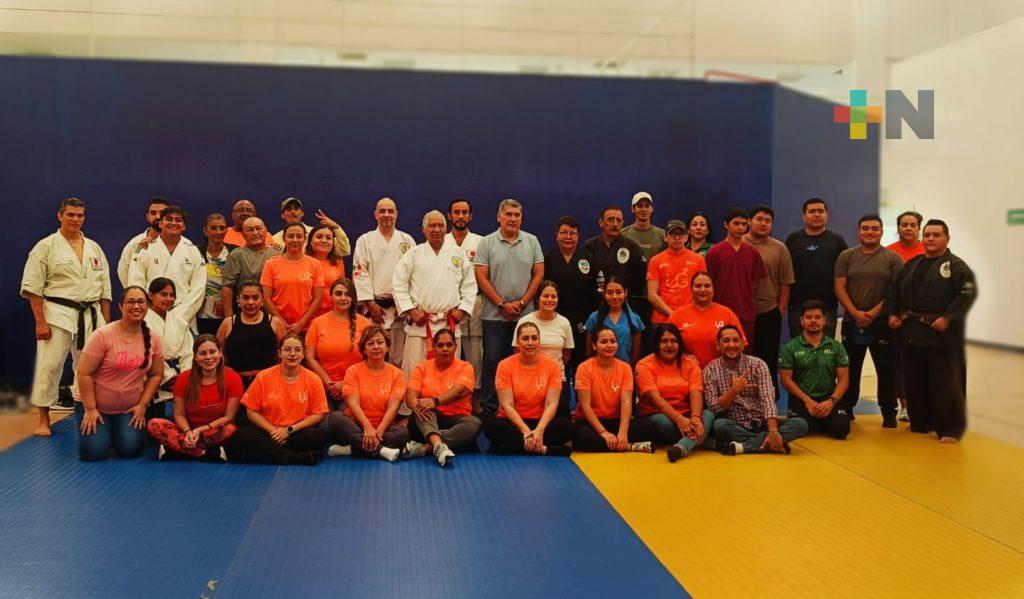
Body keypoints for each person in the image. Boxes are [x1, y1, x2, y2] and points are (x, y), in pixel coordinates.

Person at [21, 197, 112, 437]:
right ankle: (43, 418)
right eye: (70, 214)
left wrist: (106, 322)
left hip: (91, 314)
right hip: (57, 314)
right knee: (49, 365)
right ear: (60, 216)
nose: (75, 219)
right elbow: (33, 289)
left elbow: (105, 289)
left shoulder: (94, 247)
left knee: (90, 366)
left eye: (80, 215)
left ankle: (85, 411)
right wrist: (40, 322)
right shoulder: (45, 246)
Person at [888, 219, 976, 443]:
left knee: (945, 384)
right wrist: (892, 315)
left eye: (936, 235)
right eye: (927, 235)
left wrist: (948, 317)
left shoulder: (956, 266)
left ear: (947, 238)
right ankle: (921, 422)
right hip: (912, 333)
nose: (930, 239)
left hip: (942, 335)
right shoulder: (912, 264)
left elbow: (967, 294)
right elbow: (894, 291)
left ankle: (949, 429)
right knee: (914, 381)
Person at [75, 286, 163, 461]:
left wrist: (142, 405)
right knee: (93, 453)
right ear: (121, 306)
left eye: (141, 302)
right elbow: (83, 373)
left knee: (132, 450)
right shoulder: (102, 335)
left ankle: (114, 432)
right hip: (95, 406)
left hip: (128, 408)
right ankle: (104, 432)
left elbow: (156, 374)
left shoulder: (153, 337)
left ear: (147, 305)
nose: (136, 306)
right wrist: (90, 409)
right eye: (130, 302)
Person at [474, 198, 545, 416]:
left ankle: (521, 409)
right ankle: (490, 411)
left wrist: (522, 303)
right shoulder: (486, 242)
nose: (513, 219)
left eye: (517, 215)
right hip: (494, 315)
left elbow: (539, 274)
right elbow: (481, 277)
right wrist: (501, 304)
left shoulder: (532, 241)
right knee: (492, 363)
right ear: (499, 217)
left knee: (525, 363)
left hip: (525, 316)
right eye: (508, 214)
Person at [834, 214, 904, 427]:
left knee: (887, 370)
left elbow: (896, 290)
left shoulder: (893, 258)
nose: (870, 232)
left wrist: (874, 312)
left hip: (882, 323)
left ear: (882, 232)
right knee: (850, 368)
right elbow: (839, 287)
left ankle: (889, 412)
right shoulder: (846, 256)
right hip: (852, 321)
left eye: (875, 228)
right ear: (858, 231)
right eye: (865, 228)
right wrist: (855, 313)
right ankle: (847, 408)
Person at [392, 210, 477, 377]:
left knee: (449, 374)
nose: (437, 229)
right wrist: (410, 310)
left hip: (448, 325)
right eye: (432, 225)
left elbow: (469, 285)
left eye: (440, 226)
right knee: (415, 373)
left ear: (445, 229)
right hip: (420, 325)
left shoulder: (458, 254)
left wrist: (462, 309)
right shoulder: (413, 253)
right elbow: (398, 283)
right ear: (423, 229)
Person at [705, 325, 808, 455]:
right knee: (719, 425)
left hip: (763, 422)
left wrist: (773, 431)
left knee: (800, 424)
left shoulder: (758, 364)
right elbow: (713, 407)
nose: (731, 345)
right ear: (718, 345)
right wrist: (733, 391)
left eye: (736, 340)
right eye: (726, 341)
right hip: (736, 424)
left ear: (742, 344)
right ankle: (772, 443)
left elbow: (767, 398)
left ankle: (743, 447)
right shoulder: (710, 370)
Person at [228, 334, 328, 465]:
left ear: (303, 354)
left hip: (296, 432)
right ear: (279, 353)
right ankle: (295, 458)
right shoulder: (264, 376)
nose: (293, 354)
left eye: (297, 350)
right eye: (287, 349)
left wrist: (288, 431)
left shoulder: (313, 379)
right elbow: (251, 411)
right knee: (241, 435)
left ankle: (262, 454)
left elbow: (319, 414)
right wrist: (273, 431)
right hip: (268, 431)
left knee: (318, 436)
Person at [481, 322, 573, 456]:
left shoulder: (553, 365)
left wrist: (540, 430)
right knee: (490, 425)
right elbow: (506, 405)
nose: (530, 343)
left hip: (540, 422)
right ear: (517, 342)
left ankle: (514, 447)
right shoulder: (505, 365)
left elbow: (551, 404)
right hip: (514, 423)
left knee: (568, 426)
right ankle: (544, 449)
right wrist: (525, 431)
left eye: (534, 338)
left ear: (539, 341)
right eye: (525, 339)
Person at [146, 334, 241, 461]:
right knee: (154, 424)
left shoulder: (233, 378)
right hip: (187, 431)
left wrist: (201, 430)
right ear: (195, 356)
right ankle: (203, 453)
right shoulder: (184, 378)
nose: (208, 357)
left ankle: (180, 450)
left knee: (230, 429)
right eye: (202, 353)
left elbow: (229, 417)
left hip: (213, 431)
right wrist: (188, 432)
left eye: (212, 352)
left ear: (220, 353)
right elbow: (179, 414)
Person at [327, 326, 410, 462]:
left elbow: (393, 407)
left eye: (380, 342)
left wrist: (378, 432)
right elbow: (353, 403)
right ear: (364, 350)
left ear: (387, 347)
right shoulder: (353, 371)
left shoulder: (398, 374)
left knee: (403, 434)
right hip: (357, 425)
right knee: (335, 418)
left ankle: (351, 449)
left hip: (383, 428)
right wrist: (367, 427)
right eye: (370, 343)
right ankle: (381, 450)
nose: (376, 347)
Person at [404, 328, 482, 467]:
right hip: (427, 419)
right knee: (422, 408)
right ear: (434, 348)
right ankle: (440, 445)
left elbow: (458, 391)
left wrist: (435, 401)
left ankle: (428, 447)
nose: (445, 349)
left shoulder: (465, 367)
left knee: (474, 424)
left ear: (455, 347)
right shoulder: (422, 367)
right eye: (440, 345)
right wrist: (417, 406)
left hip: (456, 420)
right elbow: (410, 395)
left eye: (449, 345)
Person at [352, 197, 416, 367]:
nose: (386, 214)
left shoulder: (407, 240)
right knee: (373, 352)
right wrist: (370, 304)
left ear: (396, 214)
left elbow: (414, 275)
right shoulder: (364, 241)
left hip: (399, 310)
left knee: (398, 357)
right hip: (374, 309)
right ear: (375, 214)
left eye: (390, 211)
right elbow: (360, 273)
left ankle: (397, 383)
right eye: (382, 211)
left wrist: (404, 306)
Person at [635, 324, 712, 462]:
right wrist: (679, 419)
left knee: (708, 415)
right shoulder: (644, 365)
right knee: (662, 422)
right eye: (664, 341)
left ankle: (682, 447)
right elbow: (654, 398)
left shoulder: (691, 363)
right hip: (657, 415)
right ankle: (707, 441)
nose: (669, 345)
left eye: (673, 341)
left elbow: (696, 392)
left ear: (679, 344)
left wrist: (695, 418)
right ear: (656, 343)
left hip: (687, 415)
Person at [573, 326, 655, 452]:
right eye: (603, 342)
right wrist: (603, 432)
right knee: (582, 438)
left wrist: (623, 432)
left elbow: (626, 402)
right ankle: (627, 446)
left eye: (613, 341)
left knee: (648, 427)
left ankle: (615, 443)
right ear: (594, 346)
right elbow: (585, 406)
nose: (609, 345)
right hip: (590, 422)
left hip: (615, 421)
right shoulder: (584, 368)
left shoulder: (625, 368)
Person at [743, 205, 795, 405]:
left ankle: (770, 402)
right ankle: (743, 403)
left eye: (767, 220)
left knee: (768, 359)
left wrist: (779, 311)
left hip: (769, 312)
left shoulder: (779, 248)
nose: (763, 223)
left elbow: (786, 283)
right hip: (741, 313)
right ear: (749, 221)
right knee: (742, 359)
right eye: (759, 219)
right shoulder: (738, 244)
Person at [779, 301, 851, 440]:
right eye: (809, 317)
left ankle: (821, 420)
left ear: (824, 320)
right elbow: (785, 380)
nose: (813, 321)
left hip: (828, 399)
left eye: (818, 317)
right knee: (801, 428)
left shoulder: (836, 347)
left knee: (842, 429)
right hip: (802, 400)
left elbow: (844, 380)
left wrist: (831, 402)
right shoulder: (790, 347)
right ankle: (817, 421)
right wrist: (807, 401)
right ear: (802, 320)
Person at [543, 216, 599, 392]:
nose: (568, 237)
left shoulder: (589, 259)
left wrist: (592, 322)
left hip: (582, 321)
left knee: (581, 363)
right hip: (555, 321)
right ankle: (559, 400)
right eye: (564, 233)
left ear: (578, 236)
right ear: (556, 235)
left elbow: (596, 292)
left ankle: (583, 402)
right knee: (557, 363)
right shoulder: (548, 259)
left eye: (572, 233)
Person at [127, 205, 207, 326]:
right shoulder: (145, 249)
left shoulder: (193, 251)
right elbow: (135, 283)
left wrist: (178, 316)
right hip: (149, 315)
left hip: (183, 317)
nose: (173, 223)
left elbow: (198, 289)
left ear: (184, 226)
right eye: (169, 219)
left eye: (178, 220)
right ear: (160, 223)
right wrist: (148, 313)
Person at [582, 206, 649, 347]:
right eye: (610, 220)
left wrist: (624, 293)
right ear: (601, 222)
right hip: (595, 304)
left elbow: (641, 277)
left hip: (623, 304)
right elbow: (584, 278)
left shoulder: (632, 247)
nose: (615, 224)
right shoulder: (589, 246)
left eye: (619, 220)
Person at [785, 198, 848, 338]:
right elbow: (785, 274)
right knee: (799, 348)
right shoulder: (793, 239)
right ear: (804, 216)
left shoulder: (837, 240)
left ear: (826, 214)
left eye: (820, 211)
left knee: (825, 348)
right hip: (798, 307)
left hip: (828, 307)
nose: (817, 214)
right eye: (812, 211)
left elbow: (846, 272)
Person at [305, 278, 372, 408]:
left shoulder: (364, 323)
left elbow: (369, 359)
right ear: (331, 296)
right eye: (338, 294)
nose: (343, 298)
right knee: (324, 419)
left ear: (353, 298)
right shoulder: (318, 323)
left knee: (342, 418)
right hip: (323, 386)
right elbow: (309, 357)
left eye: (348, 294)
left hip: (355, 386)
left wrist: (344, 383)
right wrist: (329, 384)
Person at [885, 210, 926, 421]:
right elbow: (889, 288)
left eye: (912, 225)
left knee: (924, 364)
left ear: (919, 228)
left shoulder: (929, 249)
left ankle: (925, 405)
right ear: (898, 228)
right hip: (899, 319)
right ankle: (904, 406)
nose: (908, 228)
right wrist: (893, 314)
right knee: (901, 364)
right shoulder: (889, 252)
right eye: (904, 224)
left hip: (924, 319)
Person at [513, 281, 575, 416]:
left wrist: (552, 370)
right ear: (538, 298)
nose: (550, 300)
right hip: (529, 377)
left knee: (562, 422)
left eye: (554, 296)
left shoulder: (564, 323)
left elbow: (566, 355)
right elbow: (517, 352)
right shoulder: (524, 321)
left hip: (557, 377)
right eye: (546, 296)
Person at [706, 207, 767, 343]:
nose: (740, 227)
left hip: (746, 313)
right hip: (720, 312)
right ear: (726, 225)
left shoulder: (753, 252)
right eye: (736, 223)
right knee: (720, 347)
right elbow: (709, 282)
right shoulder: (715, 252)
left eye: (744, 224)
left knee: (744, 349)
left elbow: (756, 283)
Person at [446, 198, 485, 398]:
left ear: (470, 216)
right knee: (447, 349)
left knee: (475, 353)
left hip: (474, 303)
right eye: (456, 212)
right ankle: (446, 393)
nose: (460, 216)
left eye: (464, 212)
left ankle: (474, 395)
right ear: (449, 216)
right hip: (447, 304)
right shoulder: (441, 241)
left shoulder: (481, 242)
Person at [668, 272, 746, 368]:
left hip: (720, 373)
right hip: (687, 371)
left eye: (707, 286)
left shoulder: (727, 314)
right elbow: (666, 346)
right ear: (691, 289)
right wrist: (682, 355)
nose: (702, 289)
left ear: (713, 288)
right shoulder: (677, 315)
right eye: (698, 286)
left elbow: (741, 346)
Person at [217, 281, 286, 387]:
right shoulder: (228, 323)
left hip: (267, 382)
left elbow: (283, 353)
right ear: (238, 299)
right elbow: (218, 353)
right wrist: (229, 373)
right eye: (245, 298)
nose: (250, 302)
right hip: (236, 383)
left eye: (255, 298)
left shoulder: (275, 322)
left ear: (262, 299)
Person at [260, 221, 324, 335]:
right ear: (284, 239)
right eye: (290, 236)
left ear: (305, 239)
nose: (295, 240)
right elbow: (266, 298)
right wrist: (281, 322)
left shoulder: (315, 264)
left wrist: (301, 323)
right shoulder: (271, 264)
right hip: (277, 326)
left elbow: (318, 298)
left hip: (306, 327)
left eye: (299, 236)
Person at [144, 278, 194, 420]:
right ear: (151, 295)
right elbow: (146, 354)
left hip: (181, 381)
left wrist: (184, 378)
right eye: (163, 294)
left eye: (172, 295)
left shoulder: (180, 323)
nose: (169, 299)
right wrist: (167, 378)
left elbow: (188, 353)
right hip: (156, 381)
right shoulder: (143, 322)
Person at [647, 219, 706, 326]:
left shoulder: (698, 260)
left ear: (686, 237)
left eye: (680, 234)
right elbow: (651, 295)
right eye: (673, 234)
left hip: (690, 319)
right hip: (662, 321)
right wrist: (674, 316)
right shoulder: (655, 261)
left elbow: (702, 291)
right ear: (665, 237)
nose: (677, 237)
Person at [221, 217, 282, 318]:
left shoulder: (278, 252)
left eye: (258, 228)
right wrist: (228, 317)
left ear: (266, 231)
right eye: (250, 230)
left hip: (276, 312)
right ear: (243, 235)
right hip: (246, 311)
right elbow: (227, 286)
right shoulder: (237, 255)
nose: (255, 233)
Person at [585, 277, 644, 364]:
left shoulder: (634, 318)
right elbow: (589, 352)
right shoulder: (594, 317)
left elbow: (636, 354)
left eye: (619, 292)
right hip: (599, 368)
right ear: (604, 294)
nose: (614, 296)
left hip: (625, 369)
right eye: (609, 293)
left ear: (625, 293)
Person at [196, 213, 237, 336]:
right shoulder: (196, 252)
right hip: (201, 314)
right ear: (205, 230)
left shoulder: (235, 252)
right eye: (213, 228)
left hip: (229, 313)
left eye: (222, 228)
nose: (218, 232)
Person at [116, 196, 169, 286]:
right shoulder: (134, 244)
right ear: (148, 217)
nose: (158, 216)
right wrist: (136, 292)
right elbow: (123, 271)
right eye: (153, 213)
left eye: (162, 213)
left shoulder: (182, 245)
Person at [271, 197, 351, 257]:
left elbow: (344, 251)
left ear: (302, 213)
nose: (293, 212)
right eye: (288, 209)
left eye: (296, 208)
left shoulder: (317, 234)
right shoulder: (274, 239)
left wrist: (336, 228)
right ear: (282, 215)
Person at [306, 224, 346, 319]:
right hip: (305, 316)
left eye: (328, 238)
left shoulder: (338, 262)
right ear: (310, 241)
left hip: (332, 315)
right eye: (319, 237)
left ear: (333, 242)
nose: (324, 241)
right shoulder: (302, 262)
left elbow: (342, 290)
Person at [621, 191, 666, 260]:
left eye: (647, 206)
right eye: (640, 206)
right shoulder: (623, 234)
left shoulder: (662, 235)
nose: (644, 209)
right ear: (632, 209)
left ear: (652, 209)